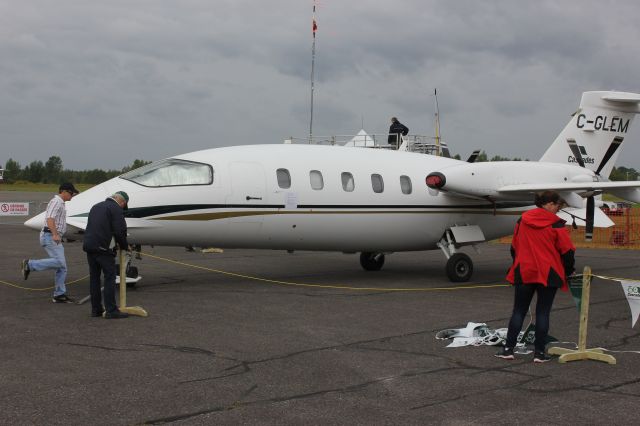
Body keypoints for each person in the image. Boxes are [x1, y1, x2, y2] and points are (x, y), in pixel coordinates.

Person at [496, 191, 575, 363]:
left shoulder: (522, 220)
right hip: (549, 273)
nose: (557, 210)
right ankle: (539, 353)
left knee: (518, 311)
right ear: (551, 204)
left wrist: (520, 263)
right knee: (543, 313)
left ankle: (508, 349)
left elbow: (514, 248)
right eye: (557, 206)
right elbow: (567, 252)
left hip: (525, 271)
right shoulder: (556, 224)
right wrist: (569, 270)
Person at [21, 182, 80, 303]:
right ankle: (29, 265)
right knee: (59, 263)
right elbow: (50, 219)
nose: (72, 195)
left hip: (53, 235)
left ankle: (59, 294)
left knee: (62, 267)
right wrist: (54, 234)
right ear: (64, 191)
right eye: (71, 193)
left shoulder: (60, 203)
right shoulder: (56, 202)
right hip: (50, 235)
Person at [82, 191, 131, 319]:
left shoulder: (96, 206)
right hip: (103, 248)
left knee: (94, 278)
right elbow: (120, 231)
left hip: (89, 246)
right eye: (123, 206)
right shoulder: (116, 209)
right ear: (122, 202)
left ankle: (96, 309)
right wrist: (125, 246)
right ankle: (111, 310)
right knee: (110, 277)